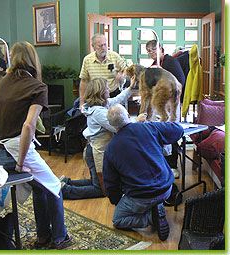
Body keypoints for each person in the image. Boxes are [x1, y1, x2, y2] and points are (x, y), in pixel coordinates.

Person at [0, 41, 72, 249]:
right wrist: (20, 165)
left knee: (39, 188)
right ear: (33, 59)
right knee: (54, 186)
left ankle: (43, 236)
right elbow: (28, 127)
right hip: (15, 151)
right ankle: (60, 238)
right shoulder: (37, 86)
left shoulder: (3, 82)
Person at [103, 103, 184, 241]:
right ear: (129, 115)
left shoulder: (110, 149)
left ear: (112, 125)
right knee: (151, 198)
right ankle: (156, 208)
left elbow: (110, 183)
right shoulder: (149, 127)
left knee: (118, 219)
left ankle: (151, 217)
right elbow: (178, 129)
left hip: (140, 196)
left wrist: (118, 201)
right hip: (166, 189)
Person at [60, 77, 145, 200]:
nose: (109, 89)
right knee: (102, 189)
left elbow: (117, 99)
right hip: (97, 151)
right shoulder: (99, 112)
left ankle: (67, 182)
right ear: (100, 91)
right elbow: (118, 126)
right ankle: (66, 191)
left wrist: (131, 88)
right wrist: (137, 120)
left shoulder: (100, 105)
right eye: (106, 88)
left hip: (94, 148)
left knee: (97, 182)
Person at [146, 40, 185, 179]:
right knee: (161, 134)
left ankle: (173, 166)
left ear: (161, 48)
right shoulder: (154, 65)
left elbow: (180, 82)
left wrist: (171, 102)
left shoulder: (170, 62)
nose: (152, 52)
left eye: (154, 49)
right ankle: (163, 166)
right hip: (161, 104)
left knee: (172, 133)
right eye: (149, 51)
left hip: (171, 103)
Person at [79, 33, 127, 109]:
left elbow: (126, 70)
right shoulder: (87, 60)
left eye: (105, 45)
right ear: (93, 46)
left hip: (113, 94)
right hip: (95, 97)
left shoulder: (114, 56)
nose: (104, 48)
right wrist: (81, 103)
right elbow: (84, 81)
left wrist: (122, 76)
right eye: (100, 46)